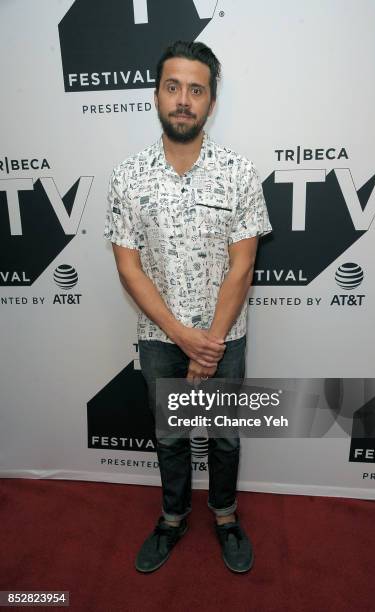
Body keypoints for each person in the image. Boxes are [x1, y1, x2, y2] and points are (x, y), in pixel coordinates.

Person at [104, 40, 272, 574]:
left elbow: (241, 267)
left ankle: (225, 515)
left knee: (223, 437)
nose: (183, 100)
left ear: (211, 102)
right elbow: (129, 267)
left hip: (225, 335)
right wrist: (181, 336)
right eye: (173, 87)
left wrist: (209, 348)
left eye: (196, 90)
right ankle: (172, 517)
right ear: (156, 95)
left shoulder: (240, 173)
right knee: (170, 436)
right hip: (160, 340)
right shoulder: (126, 177)